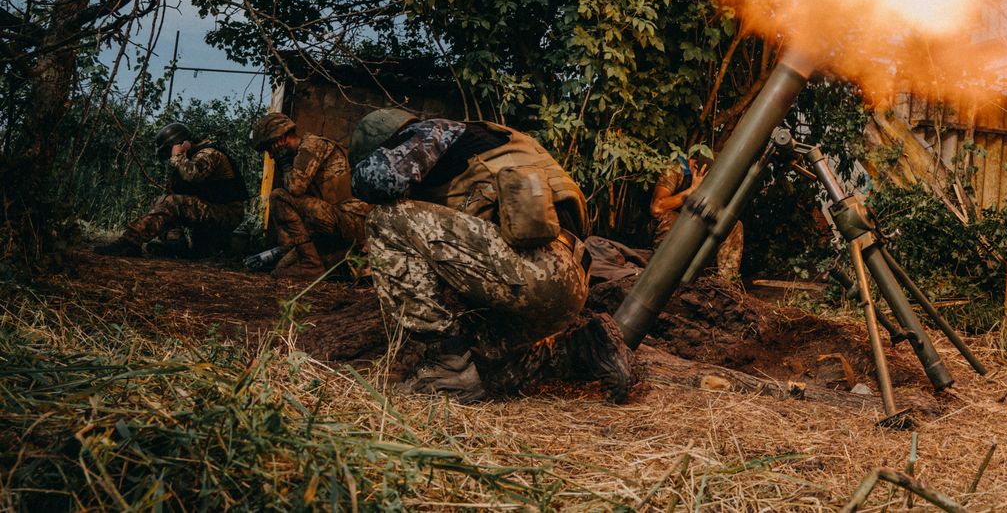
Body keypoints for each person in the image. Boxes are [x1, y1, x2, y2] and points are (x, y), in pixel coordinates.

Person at [348, 108, 635, 403]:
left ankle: (446, 366)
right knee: (486, 367)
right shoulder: (493, 142)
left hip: (536, 267)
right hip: (566, 284)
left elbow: (375, 181)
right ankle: (584, 348)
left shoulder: (430, 131)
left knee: (384, 218)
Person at [94, 122, 249, 257]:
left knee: (171, 203)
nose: (170, 156)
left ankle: (129, 242)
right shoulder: (189, 160)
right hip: (212, 213)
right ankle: (175, 242)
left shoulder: (209, 153)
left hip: (227, 213)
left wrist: (179, 156)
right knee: (162, 202)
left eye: (170, 150)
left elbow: (193, 175)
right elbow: (174, 193)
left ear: (181, 143)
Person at [250, 112, 370, 279]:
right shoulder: (299, 156)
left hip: (350, 219)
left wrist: (284, 163)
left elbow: (295, 189)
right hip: (334, 222)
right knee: (281, 270)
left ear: (281, 138)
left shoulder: (312, 145)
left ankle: (312, 264)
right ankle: (323, 264)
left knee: (278, 196)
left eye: (270, 148)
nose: (271, 155)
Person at [650, 154, 744, 281]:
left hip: (697, 224)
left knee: (733, 225)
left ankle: (726, 285)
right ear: (695, 168)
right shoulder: (676, 168)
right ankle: (662, 275)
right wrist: (692, 189)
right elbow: (657, 208)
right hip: (671, 228)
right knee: (671, 218)